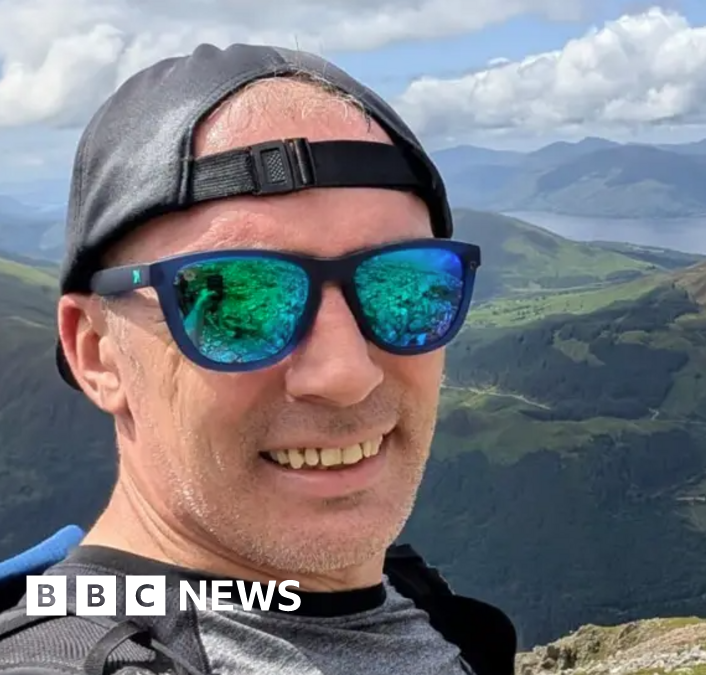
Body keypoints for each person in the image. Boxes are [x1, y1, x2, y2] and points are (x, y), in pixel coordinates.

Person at [0, 43, 515, 675]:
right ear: (96, 353)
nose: (346, 375)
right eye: (236, 300)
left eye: (403, 285)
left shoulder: (415, 604)